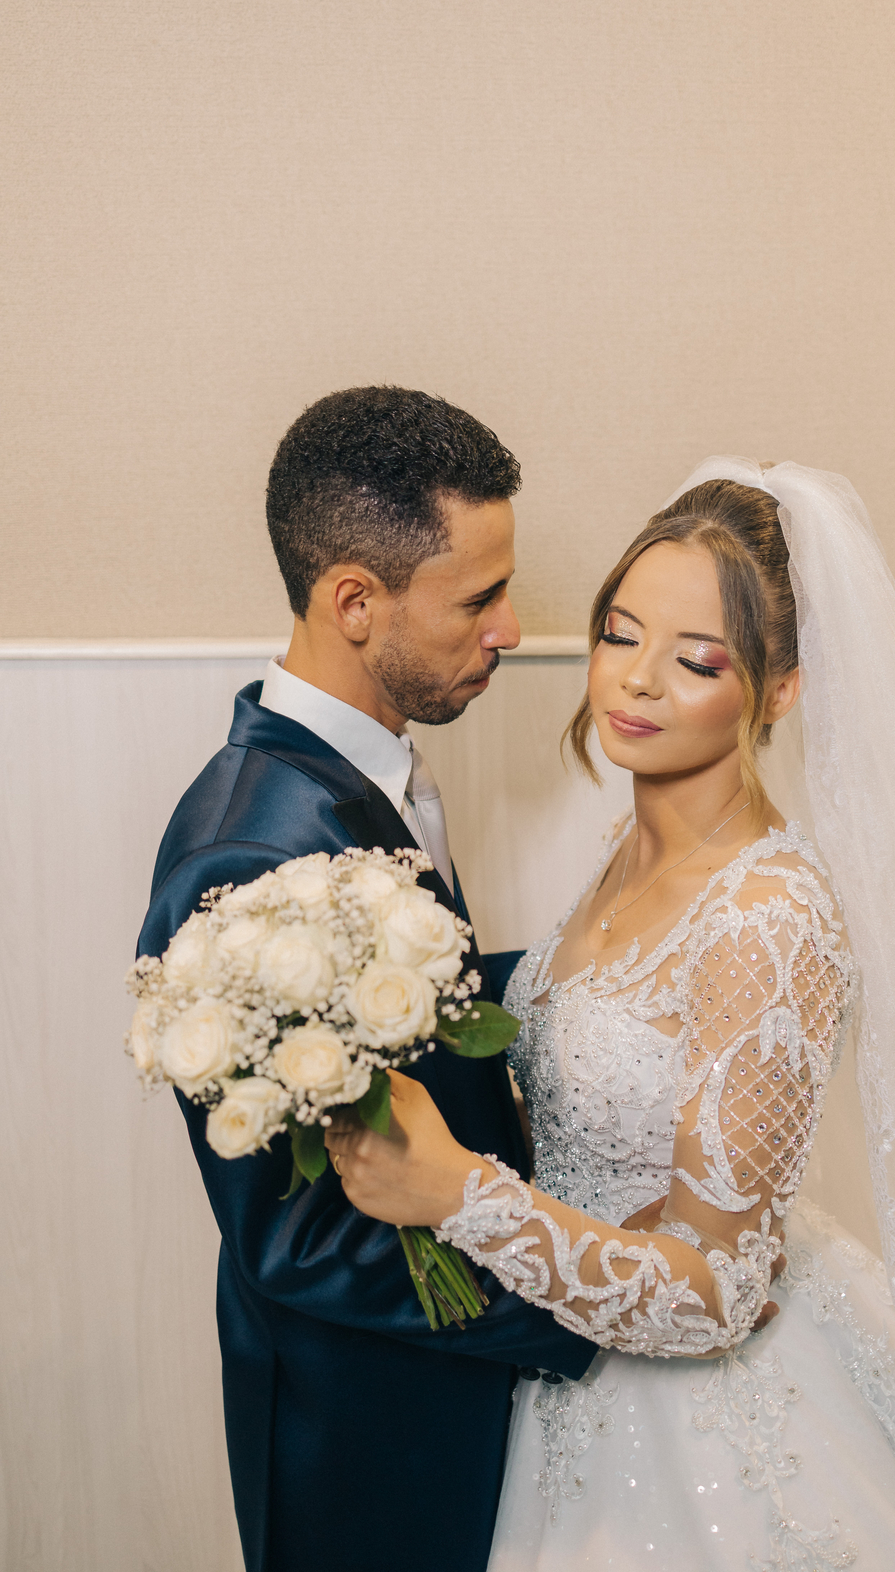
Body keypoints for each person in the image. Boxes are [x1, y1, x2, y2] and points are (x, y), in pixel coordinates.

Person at [327, 460, 895, 1572]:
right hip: (575, 1361)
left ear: (779, 691)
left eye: (698, 661)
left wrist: (458, 1193)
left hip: (710, 1418)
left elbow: (719, 1294)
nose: (636, 681)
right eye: (620, 635)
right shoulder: (627, 852)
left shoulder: (771, 914)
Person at [137, 387, 604, 1572]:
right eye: (480, 599)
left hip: (443, 1392)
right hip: (369, 1440)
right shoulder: (249, 856)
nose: (510, 630)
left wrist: (609, 984)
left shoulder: (363, 773)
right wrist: (586, 1308)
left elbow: (430, 1028)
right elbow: (296, 1241)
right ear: (356, 602)